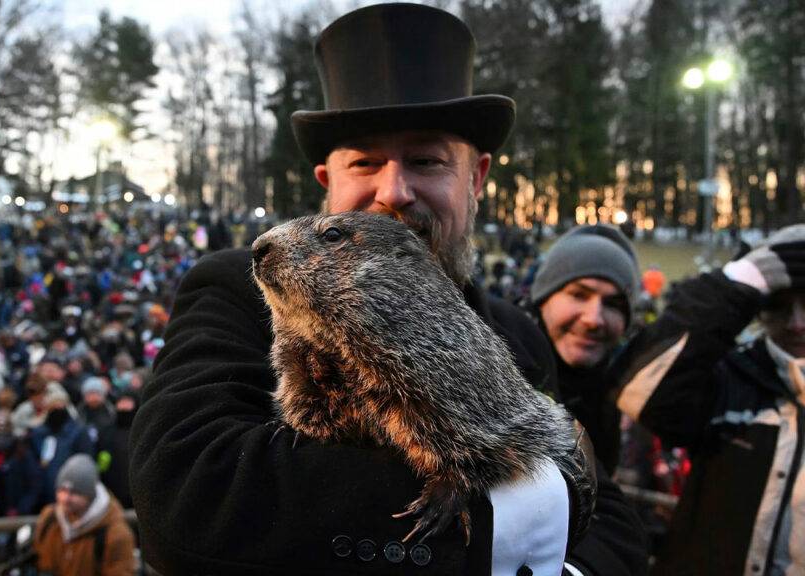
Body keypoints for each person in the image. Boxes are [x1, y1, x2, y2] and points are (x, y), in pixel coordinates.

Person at [129, 4, 646, 575]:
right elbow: (187, 490)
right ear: (329, 182)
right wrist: (503, 523)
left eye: (426, 160)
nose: (394, 190)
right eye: (365, 161)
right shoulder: (239, 287)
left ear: (475, 179)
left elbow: (611, 516)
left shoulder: (516, 332)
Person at [614, 224, 805, 575]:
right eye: (778, 306)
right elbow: (639, 391)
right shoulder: (732, 376)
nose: (796, 324)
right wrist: (740, 280)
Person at [527, 224, 640, 472]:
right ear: (543, 298)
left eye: (612, 304)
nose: (594, 319)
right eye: (579, 294)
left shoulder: (618, 390)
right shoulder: (500, 367)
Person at [33, 454, 135, 576]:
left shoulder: (115, 533)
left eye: (74, 493)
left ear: (90, 496)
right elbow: (42, 561)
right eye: (62, 490)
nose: (66, 499)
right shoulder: (49, 518)